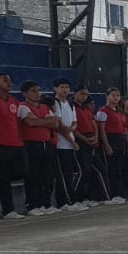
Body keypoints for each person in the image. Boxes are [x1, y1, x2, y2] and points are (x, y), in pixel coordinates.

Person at [0, 72, 29, 219]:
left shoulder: (15, 101)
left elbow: (18, 123)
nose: (9, 83)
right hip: (1, 145)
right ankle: (8, 210)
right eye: (4, 80)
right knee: (4, 179)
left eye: (9, 80)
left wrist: (20, 141)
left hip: (17, 144)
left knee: (24, 171)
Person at [18, 80, 61, 215]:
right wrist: (46, 121)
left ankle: (45, 203)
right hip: (31, 144)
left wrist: (38, 120)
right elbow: (30, 123)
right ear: (25, 93)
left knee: (47, 175)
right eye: (33, 91)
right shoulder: (23, 107)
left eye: (38, 90)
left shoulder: (45, 107)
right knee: (33, 176)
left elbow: (55, 124)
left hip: (46, 144)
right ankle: (33, 205)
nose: (37, 93)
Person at [47, 79, 86, 213]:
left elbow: (74, 123)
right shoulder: (55, 103)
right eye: (62, 87)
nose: (65, 90)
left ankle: (72, 199)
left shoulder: (70, 103)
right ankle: (64, 201)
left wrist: (71, 129)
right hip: (61, 145)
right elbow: (59, 126)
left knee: (71, 174)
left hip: (69, 144)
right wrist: (71, 140)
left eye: (67, 87)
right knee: (63, 175)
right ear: (55, 88)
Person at [70, 85, 107, 206]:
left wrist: (95, 137)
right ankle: (75, 199)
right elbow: (73, 127)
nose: (84, 96)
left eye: (86, 94)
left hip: (91, 139)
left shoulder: (86, 108)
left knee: (95, 170)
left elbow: (93, 124)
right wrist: (84, 138)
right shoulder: (71, 107)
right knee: (83, 170)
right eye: (81, 93)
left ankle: (88, 197)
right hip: (80, 140)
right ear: (75, 93)